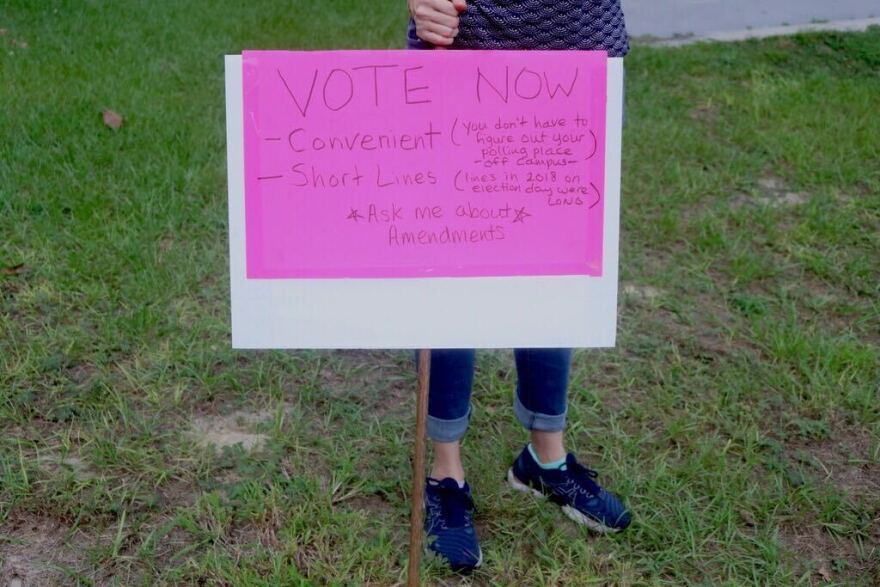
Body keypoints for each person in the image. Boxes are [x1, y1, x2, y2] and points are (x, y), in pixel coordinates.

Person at [405, 0, 632, 574]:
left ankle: (544, 458)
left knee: (554, 264)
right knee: (450, 270)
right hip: (459, 45)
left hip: (579, 53)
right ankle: (445, 472)